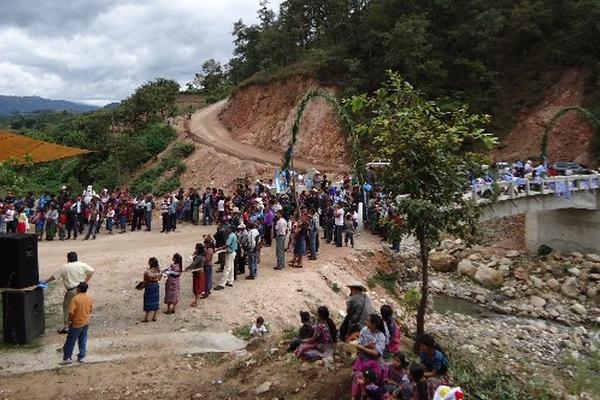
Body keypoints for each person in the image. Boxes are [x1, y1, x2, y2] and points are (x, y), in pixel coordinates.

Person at [42, 252, 94, 334]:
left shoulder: (65, 267)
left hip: (72, 290)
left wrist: (45, 281)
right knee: (82, 306)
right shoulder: (82, 265)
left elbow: (54, 277)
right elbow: (91, 271)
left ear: (68, 259)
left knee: (68, 308)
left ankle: (66, 327)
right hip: (81, 289)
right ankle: (82, 323)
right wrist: (85, 282)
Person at [351, 314, 387, 400]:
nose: (366, 322)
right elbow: (359, 345)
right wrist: (366, 347)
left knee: (369, 378)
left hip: (374, 362)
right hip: (363, 358)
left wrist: (363, 348)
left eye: (368, 321)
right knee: (357, 376)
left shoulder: (381, 336)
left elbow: (376, 353)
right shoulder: (364, 330)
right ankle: (355, 396)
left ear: (374, 324)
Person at [62, 282, 92, 364]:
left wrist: (69, 321)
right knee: (83, 340)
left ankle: (67, 358)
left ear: (78, 289)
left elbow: (71, 312)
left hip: (76, 324)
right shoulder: (88, 297)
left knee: (70, 341)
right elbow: (90, 310)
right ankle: (81, 357)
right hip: (85, 322)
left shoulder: (75, 298)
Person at [141, 257, 162, 322]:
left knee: (148, 301)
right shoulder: (159, 271)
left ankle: (146, 318)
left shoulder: (147, 272)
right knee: (156, 300)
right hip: (156, 286)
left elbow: (144, 281)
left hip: (149, 287)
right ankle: (154, 316)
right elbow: (159, 279)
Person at [187, 243, 205, 307]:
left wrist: (187, 268)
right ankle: (197, 301)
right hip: (200, 272)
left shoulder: (198, 257)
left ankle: (196, 302)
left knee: (197, 287)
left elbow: (193, 264)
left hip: (197, 273)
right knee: (199, 286)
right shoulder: (202, 255)